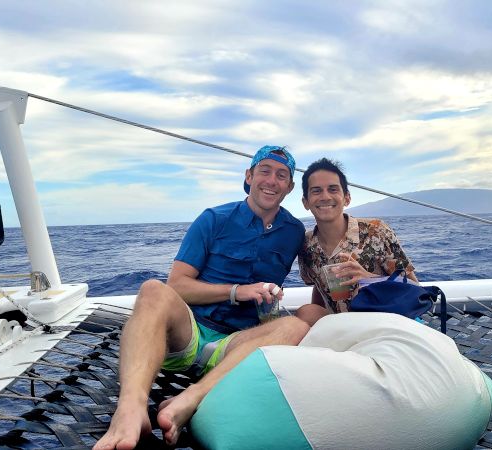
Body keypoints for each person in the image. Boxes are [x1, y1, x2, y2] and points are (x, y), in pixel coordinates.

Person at [94, 145, 307, 450]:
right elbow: (178, 285)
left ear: (288, 187)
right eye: (265, 171)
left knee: (297, 326)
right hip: (190, 333)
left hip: (235, 347)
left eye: (282, 175)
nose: (272, 180)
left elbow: (319, 267)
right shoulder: (213, 218)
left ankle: (189, 399)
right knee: (153, 290)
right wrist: (236, 291)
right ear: (249, 176)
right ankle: (130, 408)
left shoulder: (294, 232)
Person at [295, 158, 417, 326]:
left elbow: (414, 287)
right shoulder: (306, 245)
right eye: (316, 191)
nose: (325, 196)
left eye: (333, 189)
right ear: (305, 202)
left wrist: (369, 278)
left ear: (347, 198)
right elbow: (317, 284)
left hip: (383, 323)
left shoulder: (376, 231)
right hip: (341, 327)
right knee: (306, 312)